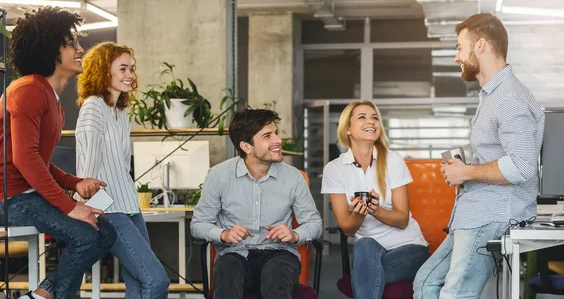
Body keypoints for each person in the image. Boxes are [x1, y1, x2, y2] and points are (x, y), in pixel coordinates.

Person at [0, 7, 117, 299]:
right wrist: (70, 206)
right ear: (49, 51)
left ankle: (42, 295)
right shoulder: (27, 91)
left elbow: (38, 161)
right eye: (71, 44)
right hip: (4, 198)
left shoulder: (53, 101)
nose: (80, 49)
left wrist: (73, 183)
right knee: (84, 235)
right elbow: (25, 160)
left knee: (105, 233)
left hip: (26, 194)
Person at [413, 13, 545, 298]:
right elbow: (505, 156)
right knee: (425, 283)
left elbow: (522, 166)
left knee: (455, 294)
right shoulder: (492, 95)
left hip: (492, 215)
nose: (456, 56)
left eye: (460, 47)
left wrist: (467, 172)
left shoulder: (509, 98)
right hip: (473, 215)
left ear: (481, 45)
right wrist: (466, 169)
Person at [190, 109, 322, 299]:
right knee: (227, 273)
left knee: (276, 277)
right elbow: (197, 225)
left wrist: (294, 234)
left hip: (279, 254)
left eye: (276, 133)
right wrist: (224, 234)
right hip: (234, 254)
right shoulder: (218, 176)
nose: (277, 140)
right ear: (246, 146)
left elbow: (315, 224)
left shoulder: (293, 177)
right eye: (268, 136)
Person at [75, 42, 170, 298]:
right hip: (109, 208)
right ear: (104, 71)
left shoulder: (120, 110)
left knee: (138, 283)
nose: (130, 75)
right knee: (156, 280)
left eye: (132, 69)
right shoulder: (93, 107)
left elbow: (121, 166)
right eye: (123, 69)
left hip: (130, 205)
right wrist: (84, 206)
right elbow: (87, 171)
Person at [321, 101, 429, 299]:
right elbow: (348, 228)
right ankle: (362, 279)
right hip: (369, 252)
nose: (371, 121)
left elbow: (402, 219)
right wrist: (360, 213)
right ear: (348, 128)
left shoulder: (393, 160)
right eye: (362, 117)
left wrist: (375, 210)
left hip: (409, 248)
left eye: (375, 117)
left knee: (364, 277)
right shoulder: (334, 169)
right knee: (364, 245)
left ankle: (359, 280)